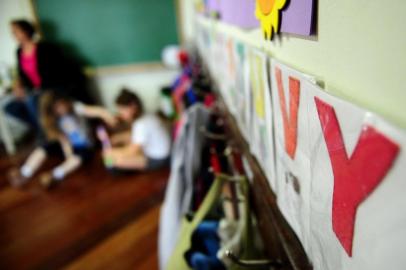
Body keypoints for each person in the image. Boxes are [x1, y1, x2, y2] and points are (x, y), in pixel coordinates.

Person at [8, 91, 116, 188]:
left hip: (85, 146)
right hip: (68, 145)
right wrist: (68, 156)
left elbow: (97, 111)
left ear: (65, 101)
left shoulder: (76, 107)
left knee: (78, 158)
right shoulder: (53, 120)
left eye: (61, 105)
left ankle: (55, 175)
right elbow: (64, 141)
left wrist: (108, 116)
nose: (60, 109)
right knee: (44, 148)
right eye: (56, 108)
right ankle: (25, 172)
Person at [5, 19, 91, 135]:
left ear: (26, 31)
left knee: (32, 101)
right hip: (34, 91)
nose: (13, 35)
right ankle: (46, 131)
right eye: (12, 32)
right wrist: (18, 86)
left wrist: (37, 91)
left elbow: (59, 72)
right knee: (11, 107)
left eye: (16, 31)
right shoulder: (19, 51)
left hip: (51, 89)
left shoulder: (46, 49)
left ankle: (46, 136)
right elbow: (22, 74)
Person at [102, 89, 171, 172]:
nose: (120, 113)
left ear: (133, 106)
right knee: (124, 144)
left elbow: (132, 151)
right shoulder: (147, 116)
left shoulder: (141, 124)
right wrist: (117, 138)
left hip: (159, 159)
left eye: (122, 109)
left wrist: (112, 152)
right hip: (162, 153)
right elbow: (135, 135)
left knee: (113, 161)